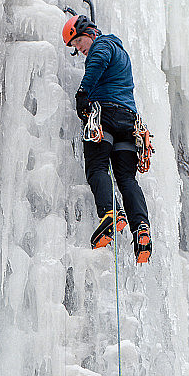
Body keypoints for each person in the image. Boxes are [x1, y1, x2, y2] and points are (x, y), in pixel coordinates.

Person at [62, 14, 152, 264]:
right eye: (75, 46)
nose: (79, 48)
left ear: (89, 32)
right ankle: (141, 229)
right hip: (128, 121)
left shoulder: (102, 45)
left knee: (97, 167)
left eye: (78, 41)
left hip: (105, 116)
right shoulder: (122, 52)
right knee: (126, 178)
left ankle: (110, 214)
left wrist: (83, 93)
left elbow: (98, 61)